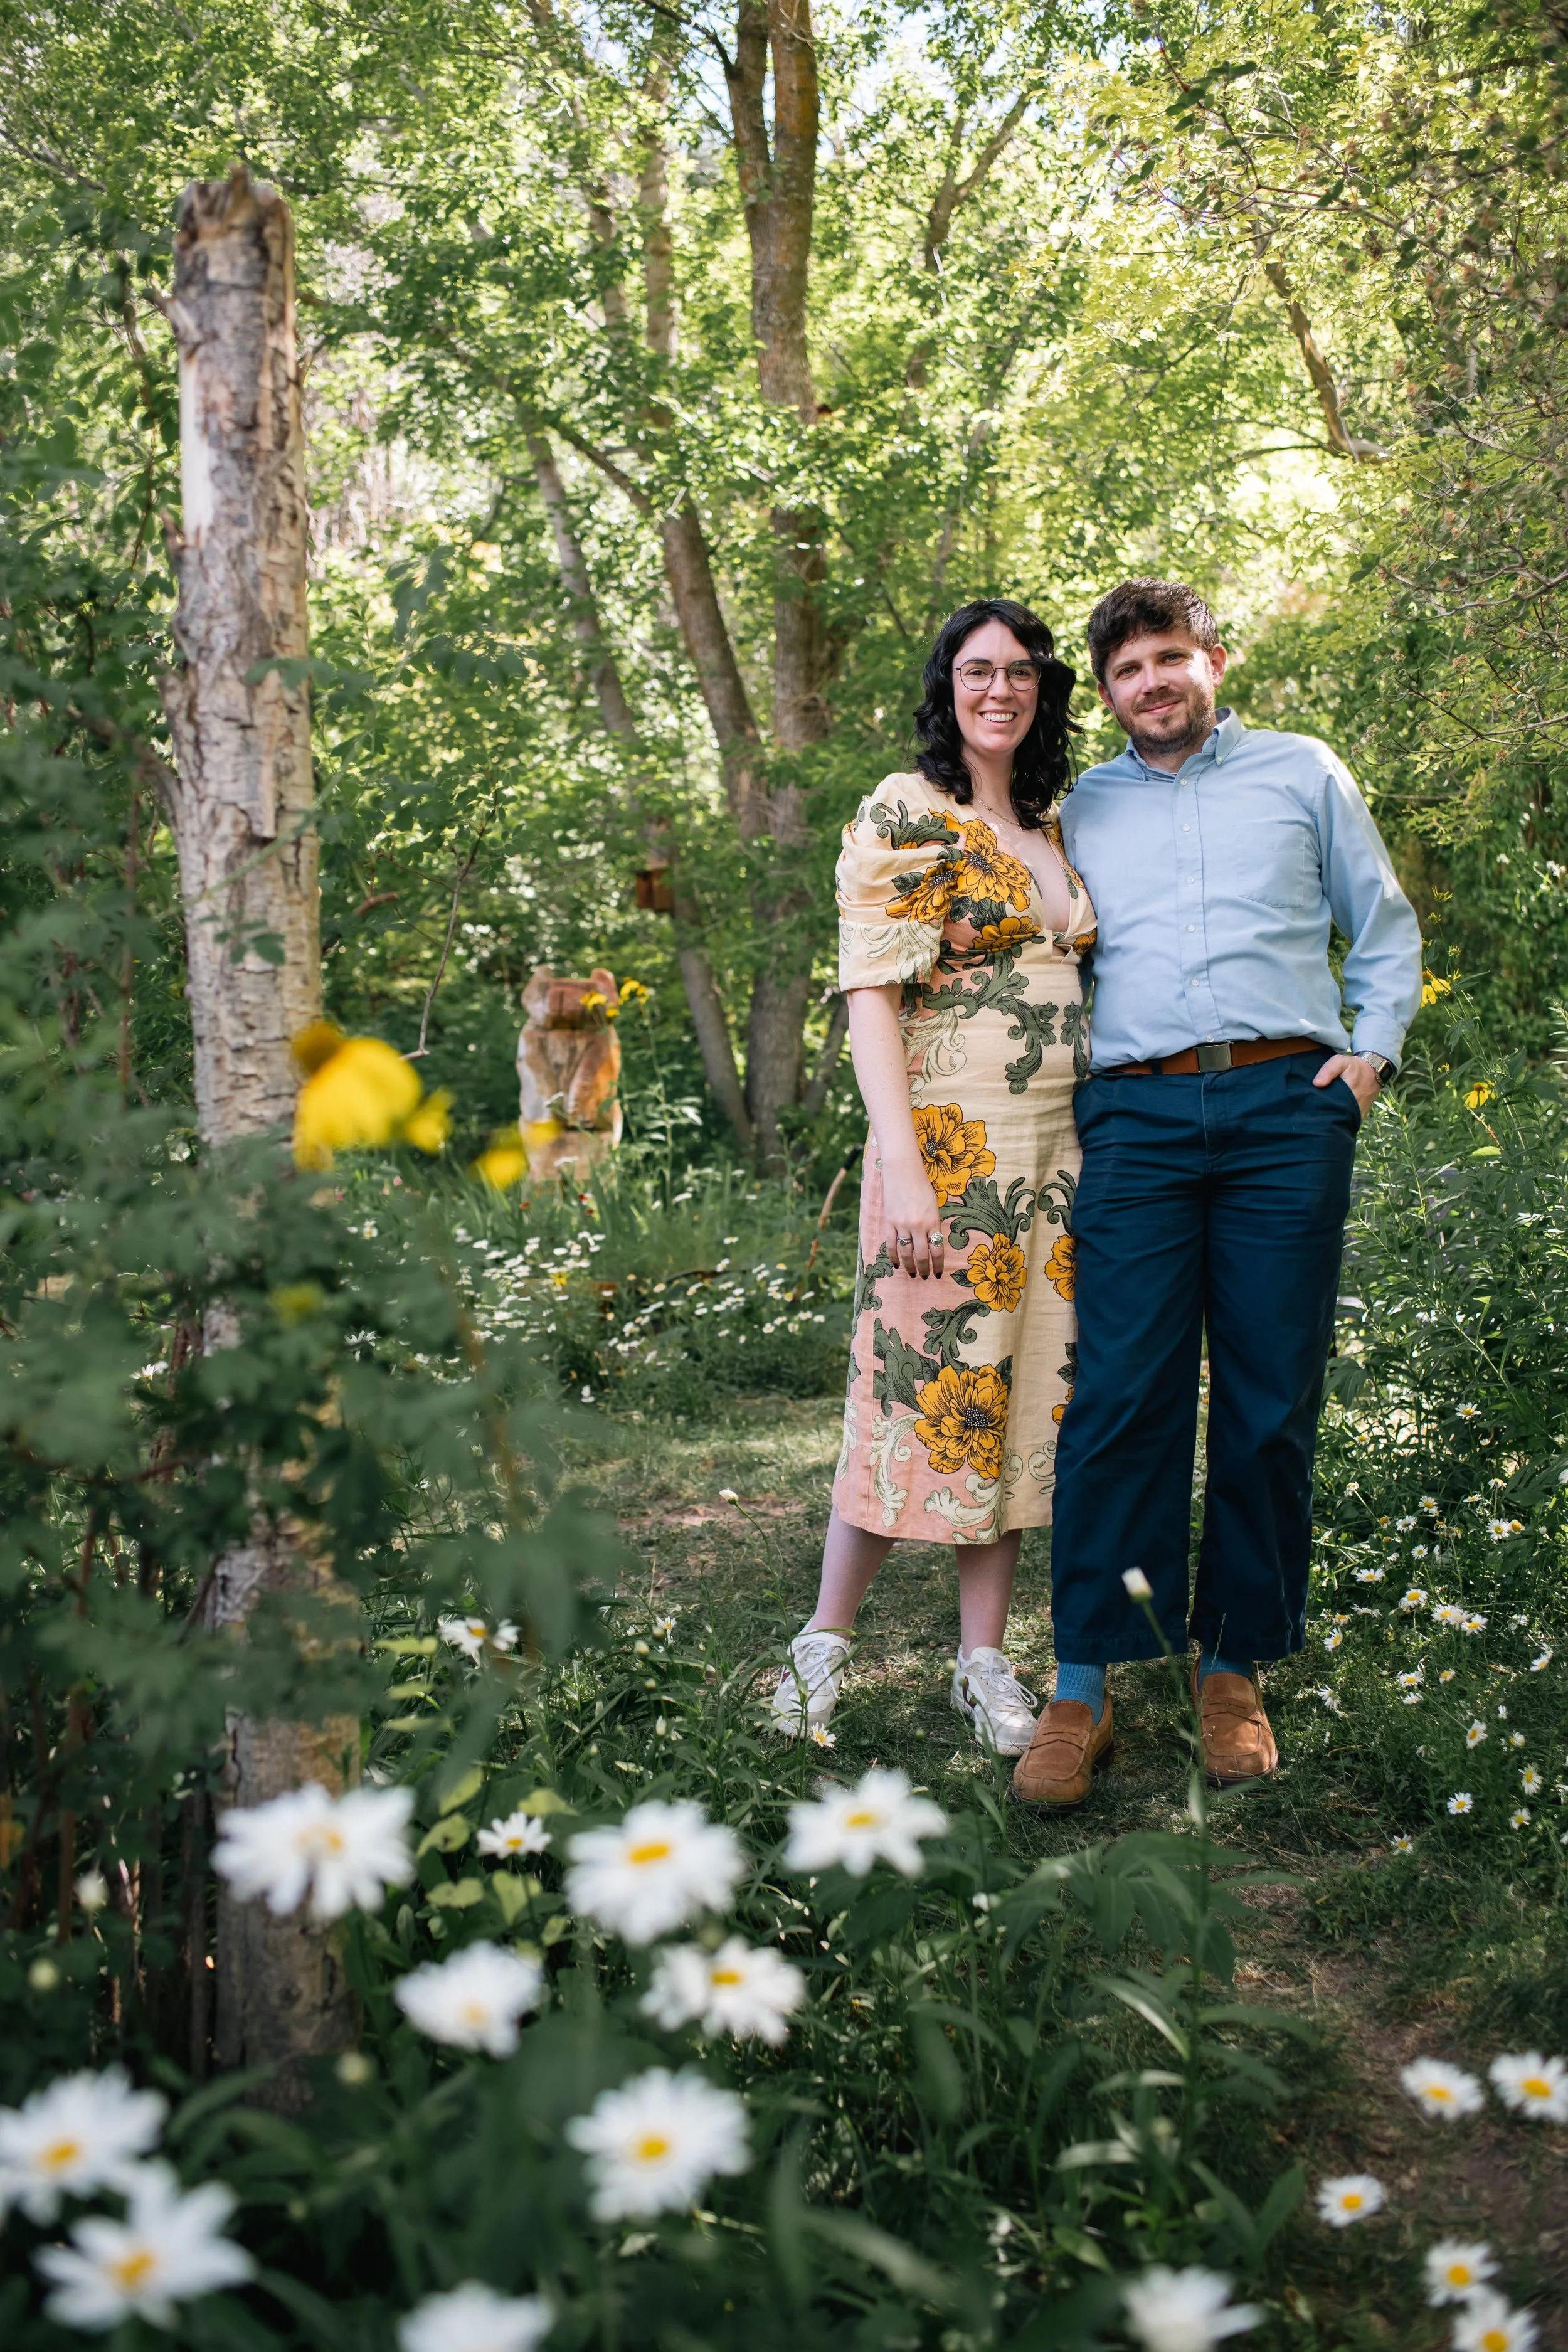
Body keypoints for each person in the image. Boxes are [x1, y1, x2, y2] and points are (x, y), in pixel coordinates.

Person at [1010, 576, 1422, 1809]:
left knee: (1263, 1398)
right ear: (1106, 692)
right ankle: (1080, 1684)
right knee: (1118, 1395)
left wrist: (1366, 1059)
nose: (1152, 683)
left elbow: (1382, 927)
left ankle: (1230, 1666)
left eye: (1170, 658)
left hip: (1280, 1113)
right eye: (1128, 669)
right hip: (1129, 1119)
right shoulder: (1074, 809)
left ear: (1213, 661)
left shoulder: (1302, 772)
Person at [770, 599, 1096, 1755]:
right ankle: (821, 1647)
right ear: (946, 684)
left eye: (1018, 670)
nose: (998, 688)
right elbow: (871, 994)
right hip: (950, 1154)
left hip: (1058, 1164)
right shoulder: (912, 810)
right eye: (976, 670)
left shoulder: (1052, 822)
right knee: (909, 1392)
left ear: (1043, 687)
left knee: (1005, 1406)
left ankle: (983, 1664)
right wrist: (901, 1165)